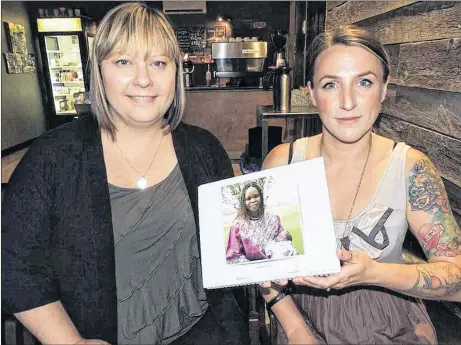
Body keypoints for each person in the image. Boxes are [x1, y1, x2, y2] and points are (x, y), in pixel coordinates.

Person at [2, 3, 249, 345]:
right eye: (123, 61)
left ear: (175, 72)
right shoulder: (52, 159)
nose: (144, 79)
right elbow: (14, 266)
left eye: (158, 63)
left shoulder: (204, 150)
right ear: (99, 70)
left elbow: (235, 247)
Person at [258, 25, 461, 344]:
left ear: (383, 89)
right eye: (330, 85)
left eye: (364, 82)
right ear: (311, 93)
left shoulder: (410, 168)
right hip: (303, 318)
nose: (348, 102)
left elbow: (457, 280)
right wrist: (297, 330)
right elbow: (258, 265)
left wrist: (373, 272)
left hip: (388, 325)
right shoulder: (283, 163)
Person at [226, 181, 297, 264]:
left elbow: (284, 241)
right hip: (252, 270)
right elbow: (234, 256)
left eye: (256, 196)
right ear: (243, 202)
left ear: (261, 197)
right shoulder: (237, 226)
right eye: (248, 198)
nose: (253, 200)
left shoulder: (273, 220)